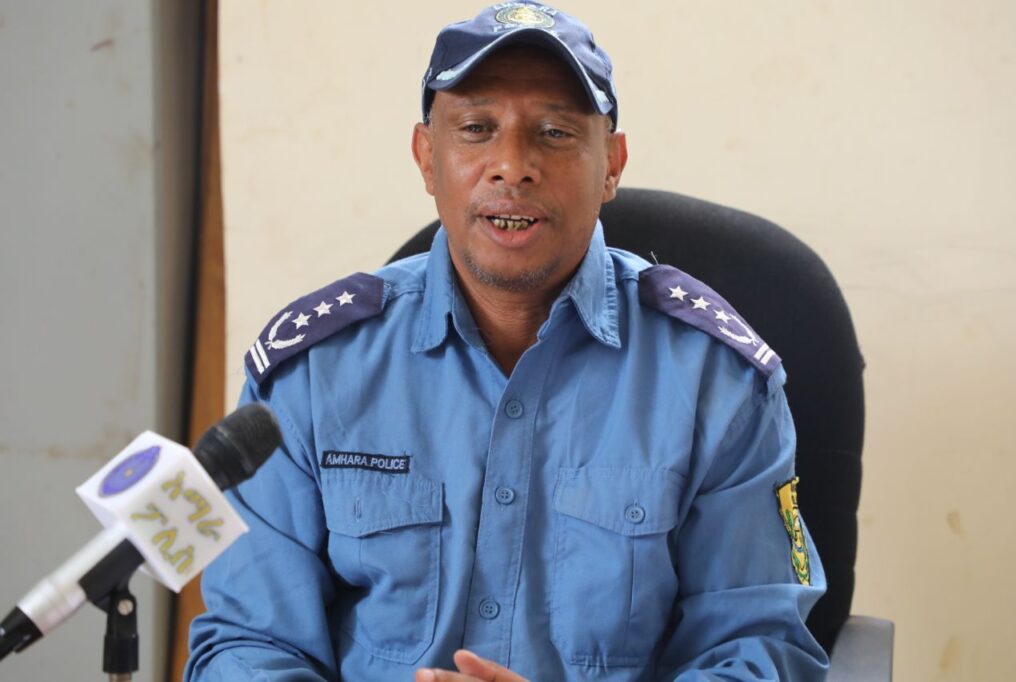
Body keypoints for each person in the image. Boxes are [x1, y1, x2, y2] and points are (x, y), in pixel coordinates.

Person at [186, 3, 829, 680]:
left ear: (611, 165)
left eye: (554, 132)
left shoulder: (715, 379)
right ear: (426, 157)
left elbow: (761, 650)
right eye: (476, 129)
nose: (512, 166)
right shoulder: (315, 371)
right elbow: (249, 642)